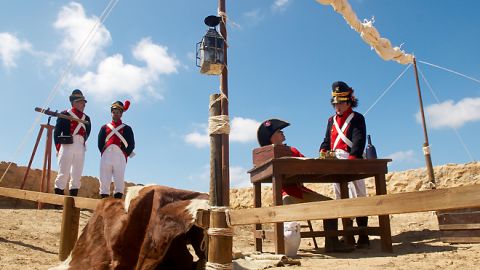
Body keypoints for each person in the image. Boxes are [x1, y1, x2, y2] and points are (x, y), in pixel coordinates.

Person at [257, 119, 354, 253]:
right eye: (279, 131)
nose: (283, 133)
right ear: (272, 137)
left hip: (299, 192)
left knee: (330, 204)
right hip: (286, 195)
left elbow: (308, 165)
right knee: (285, 206)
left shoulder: (292, 150)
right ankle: (286, 244)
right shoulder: (269, 155)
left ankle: (332, 243)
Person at [319, 81, 370, 248]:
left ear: (349, 102)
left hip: (351, 159)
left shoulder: (357, 118)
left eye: (341, 103)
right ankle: (348, 234)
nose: (337, 106)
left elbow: (359, 140)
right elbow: (328, 140)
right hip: (335, 161)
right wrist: (323, 150)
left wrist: (353, 161)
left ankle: (363, 235)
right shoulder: (330, 120)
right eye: (335, 103)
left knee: (359, 195)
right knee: (340, 196)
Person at [53, 89, 91, 197]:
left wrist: (81, 142)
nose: (84, 104)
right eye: (81, 102)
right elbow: (57, 132)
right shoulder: (65, 114)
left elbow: (87, 133)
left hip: (80, 146)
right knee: (63, 174)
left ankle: (72, 201)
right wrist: (58, 147)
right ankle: (58, 202)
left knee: (77, 175)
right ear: (74, 102)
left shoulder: (86, 118)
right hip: (66, 145)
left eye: (84, 102)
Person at [98, 101, 135, 199]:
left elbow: (131, 144)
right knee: (104, 179)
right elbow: (100, 143)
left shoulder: (127, 128)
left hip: (120, 156)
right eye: (114, 111)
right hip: (106, 155)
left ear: (121, 114)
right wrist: (104, 152)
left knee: (119, 180)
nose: (116, 114)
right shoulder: (104, 127)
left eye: (118, 112)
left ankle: (116, 205)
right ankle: (104, 204)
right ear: (111, 113)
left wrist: (124, 154)